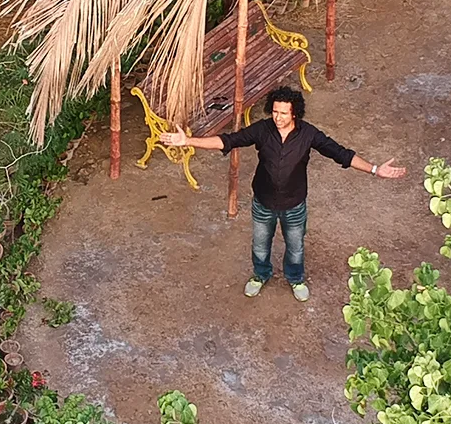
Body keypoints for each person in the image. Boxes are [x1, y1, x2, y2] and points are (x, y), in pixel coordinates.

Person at [161, 86, 406, 301]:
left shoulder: (309, 134)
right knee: (259, 244)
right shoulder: (262, 130)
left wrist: (375, 169)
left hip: (294, 204)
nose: (277, 117)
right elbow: (228, 141)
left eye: (283, 113)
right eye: (275, 111)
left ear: (295, 113)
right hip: (263, 202)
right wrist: (188, 141)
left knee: (296, 247)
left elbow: (341, 154)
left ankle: (296, 278)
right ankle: (260, 274)